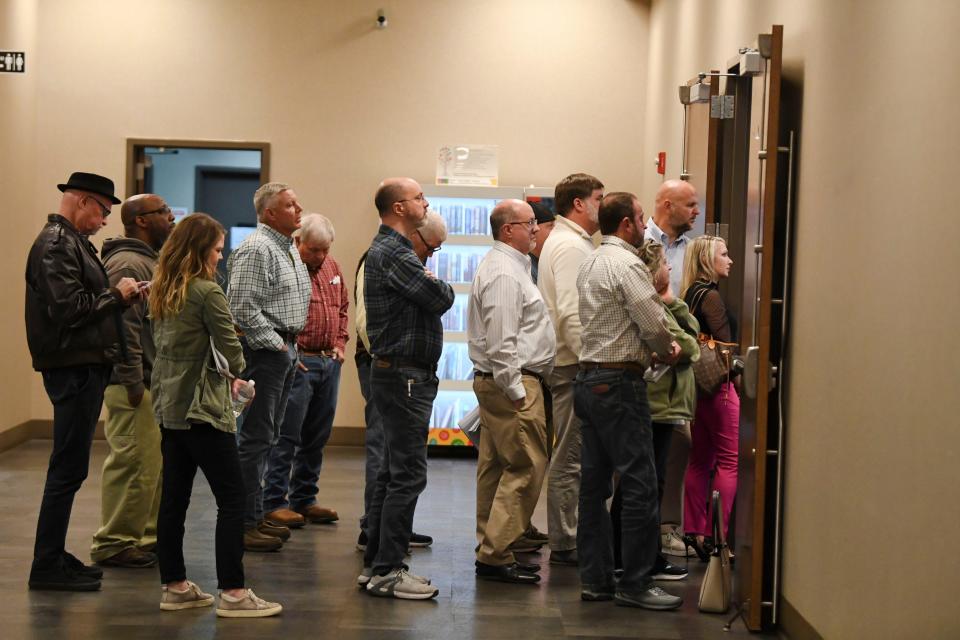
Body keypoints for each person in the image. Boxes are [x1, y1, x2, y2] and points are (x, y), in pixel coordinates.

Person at [151, 212, 282, 618]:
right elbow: (234, 356)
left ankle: (174, 585)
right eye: (218, 250)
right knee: (233, 498)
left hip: (170, 406)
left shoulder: (163, 289)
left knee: (174, 498)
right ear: (200, 249)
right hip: (204, 408)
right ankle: (234, 592)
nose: (220, 258)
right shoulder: (207, 292)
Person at [25, 172, 141, 591]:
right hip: (73, 367)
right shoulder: (57, 245)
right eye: (104, 211)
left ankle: (53, 555)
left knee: (70, 470)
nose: (106, 220)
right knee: (66, 471)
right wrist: (118, 294)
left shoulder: (71, 243)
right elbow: (68, 310)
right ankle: (46, 565)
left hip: (83, 365)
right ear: (84, 202)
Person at [574, 192, 683, 610]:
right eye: (640, 218)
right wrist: (669, 348)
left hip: (589, 380)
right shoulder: (628, 264)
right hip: (619, 384)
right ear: (626, 224)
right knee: (639, 483)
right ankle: (636, 582)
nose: (644, 225)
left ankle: (596, 579)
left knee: (593, 487)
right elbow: (652, 319)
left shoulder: (592, 263)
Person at [360, 177, 454, 600]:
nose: (425, 202)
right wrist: (438, 284)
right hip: (405, 377)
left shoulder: (392, 252)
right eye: (418, 197)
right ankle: (388, 570)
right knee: (408, 474)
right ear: (400, 208)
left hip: (401, 374)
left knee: (392, 472)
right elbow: (439, 297)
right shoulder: (395, 253)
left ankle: (377, 565)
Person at [468, 200, 556, 585]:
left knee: (497, 466)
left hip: (506, 381)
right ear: (507, 230)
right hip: (513, 382)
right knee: (525, 466)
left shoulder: (511, 266)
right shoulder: (505, 272)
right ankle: (494, 554)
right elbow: (502, 340)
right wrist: (517, 391)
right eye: (529, 223)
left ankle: (493, 546)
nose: (536, 229)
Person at [90, 194, 175, 569]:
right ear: (141, 220)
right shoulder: (128, 262)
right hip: (133, 382)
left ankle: (144, 536)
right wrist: (132, 380)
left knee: (151, 465)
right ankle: (114, 542)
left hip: (148, 380)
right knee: (133, 463)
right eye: (164, 212)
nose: (171, 218)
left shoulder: (147, 260)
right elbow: (119, 326)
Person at [227, 182, 311, 551]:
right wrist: (277, 345)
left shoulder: (287, 248)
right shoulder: (258, 249)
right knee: (256, 439)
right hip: (266, 352)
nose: (299, 209)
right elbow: (241, 306)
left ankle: (256, 516)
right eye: (291, 205)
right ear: (269, 213)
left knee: (269, 438)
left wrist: (289, 346)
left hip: (284, 349)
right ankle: (243, 523)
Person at [611, 240, 700, 582]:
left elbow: (689, 333)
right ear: (651, 272)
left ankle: (637, 555)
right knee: (646, 485)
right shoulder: (650, 308)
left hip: (666, 406)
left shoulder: (664, 305)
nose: (671, 268)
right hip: (656, 406)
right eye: (665, 263)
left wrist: (674, 301)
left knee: (650, 483)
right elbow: (689, 347)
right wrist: (672, 310)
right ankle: (635, 557)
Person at [263, 214, 348, 529]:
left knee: (317, 435)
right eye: (314, 250)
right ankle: (273, 501)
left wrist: (339, 345)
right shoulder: (284, 268)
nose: (321, 256)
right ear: (298, 241)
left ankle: (304, 498)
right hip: (297, 362)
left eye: (325, 249)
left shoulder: (332, 267)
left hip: (328, 362)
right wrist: (287, 352)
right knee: (286, 435)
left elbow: (342, 309)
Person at [537, 172, 604, 565]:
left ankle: (569, 536)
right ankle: (566, 540)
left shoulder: (568, 242)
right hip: (573, 364)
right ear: (578, 203)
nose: (603, 203)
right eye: (599, 196)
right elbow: (571, 312)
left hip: (569, 362)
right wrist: (591, 361)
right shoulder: (570, 246)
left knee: (572, 451)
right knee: (570, 454)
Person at [645, 179, 701, 554]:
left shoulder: (693, 250)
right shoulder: (638, 245)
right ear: (668, 205)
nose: (697, 211)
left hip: (678, 362)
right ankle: (639, 536)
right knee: (643, 457)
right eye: (691, 205)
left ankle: (665, 527)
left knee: (675, 448)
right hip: (650, 360)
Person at [680, 235, 739, 560]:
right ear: (707, 260)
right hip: (719, 386)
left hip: (697, 387)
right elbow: (726, 348)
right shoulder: (712, 297)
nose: (729, 260)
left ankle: (693, 529)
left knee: (700, 459)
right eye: (724, 254)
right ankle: (718, 538)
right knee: (728, 461)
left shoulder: (690, 294)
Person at [528, 201, 555, 284]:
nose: (555, 231)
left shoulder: (543, 260)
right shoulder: (526, 267)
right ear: (534, 228)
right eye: (550, 226)